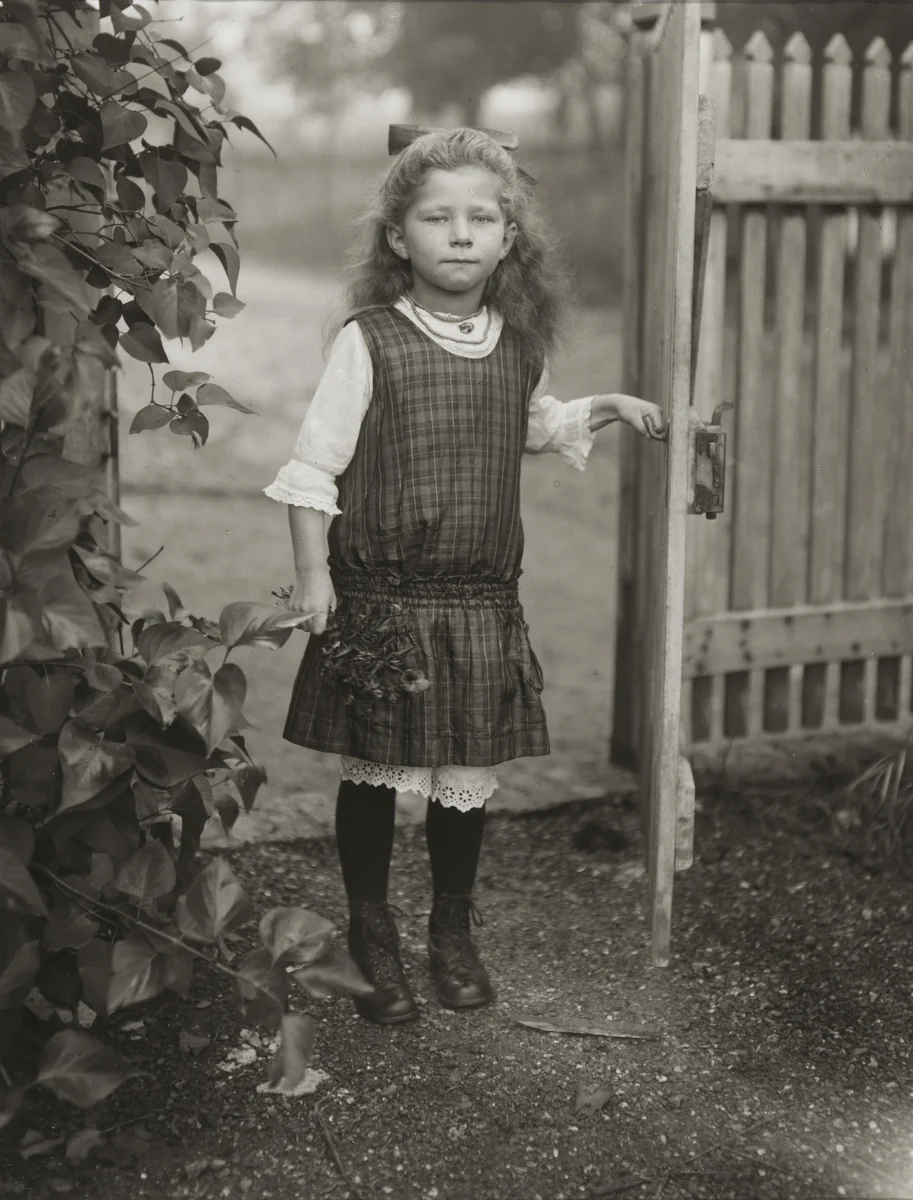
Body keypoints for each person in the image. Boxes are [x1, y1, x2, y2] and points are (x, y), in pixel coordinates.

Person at [265, 127, 666, 1026]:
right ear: (397, 238)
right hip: (384, 599)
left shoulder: (518, 348)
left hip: (482, 602)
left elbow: (533, 425)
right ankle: (372, 933)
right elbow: (310, 470)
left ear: (508, 238)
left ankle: (451, 929)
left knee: (465, 772)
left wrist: (610, 407)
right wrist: (313, 578)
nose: (459, 234)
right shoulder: (369, 341)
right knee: (374, 772)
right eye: (436, 217)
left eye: (480, 218)